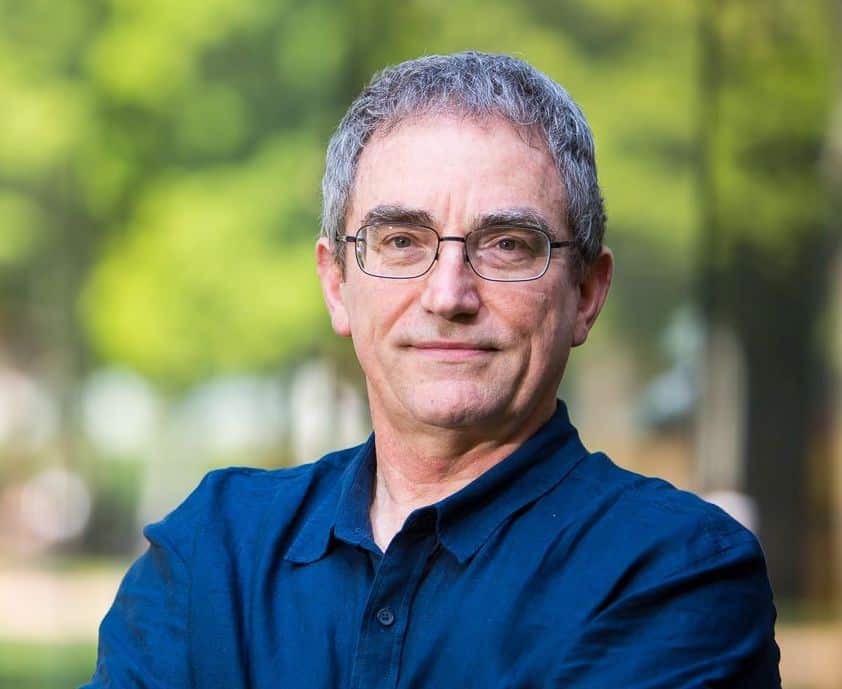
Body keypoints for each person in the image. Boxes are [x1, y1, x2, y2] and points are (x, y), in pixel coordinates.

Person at [82, 51, 781, 688]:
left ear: (586, 295)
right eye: (401, 240)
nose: (449, 294)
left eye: (508, 244)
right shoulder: (216, 550)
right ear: (336, 283)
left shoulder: (676, 571)